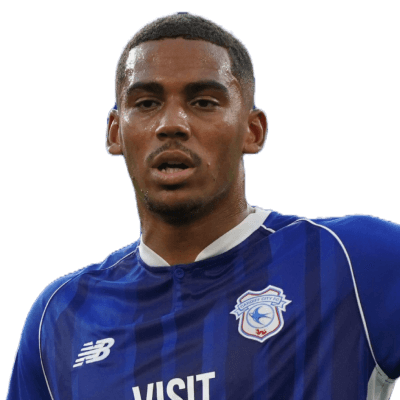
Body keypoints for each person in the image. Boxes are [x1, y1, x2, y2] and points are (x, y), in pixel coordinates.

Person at [6, 12, 399, 400]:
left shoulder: (351, 260)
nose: (171, 123)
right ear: (115, 133)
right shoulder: (59, 317)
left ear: (253, 131)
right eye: (146, 103)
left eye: (204, 102)